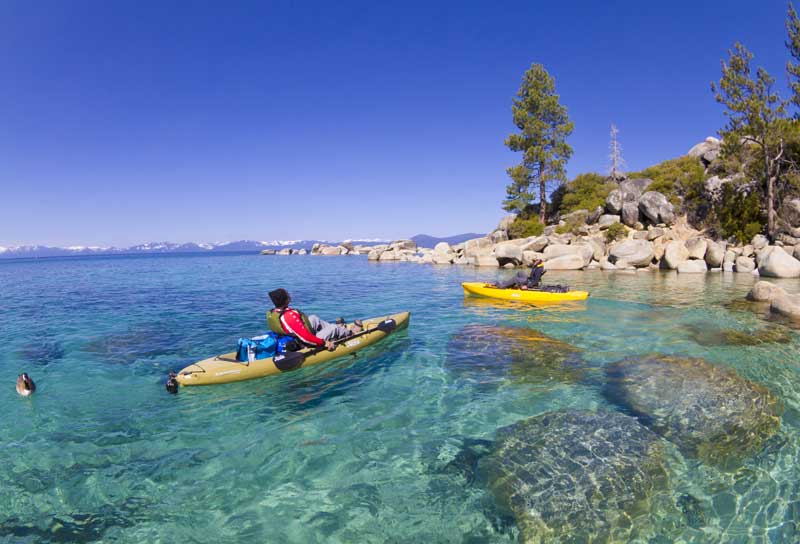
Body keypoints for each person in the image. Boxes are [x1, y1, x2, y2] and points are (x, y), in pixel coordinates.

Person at [266, 288, 362, 351]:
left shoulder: (275, 312)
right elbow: (305, 337)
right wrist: (324, 343)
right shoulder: (289, 316)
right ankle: (351, 333)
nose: (289, 295)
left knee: (313, 318)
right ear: (285, 299)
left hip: (294, 338)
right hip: (304, 343)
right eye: (287, 294)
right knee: (333, 328)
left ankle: (340, 330)